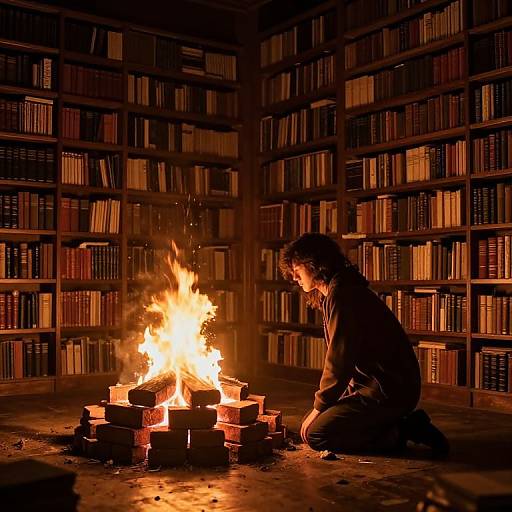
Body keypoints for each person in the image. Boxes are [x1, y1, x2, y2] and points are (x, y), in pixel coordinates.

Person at [280, 232, 449, 457]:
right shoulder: (335, 292)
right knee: (312, 424)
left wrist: (319, 406)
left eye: (297, 268)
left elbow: (339, 362)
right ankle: (393, 424)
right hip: (377, 387)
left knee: (317, 435)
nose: (294, 276)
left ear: (315, 263)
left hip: (389, 390)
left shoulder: (342, 295)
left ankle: (402, 431)